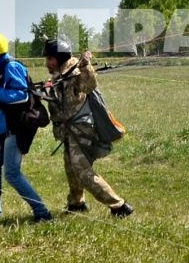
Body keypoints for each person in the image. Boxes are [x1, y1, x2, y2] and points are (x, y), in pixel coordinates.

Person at [41, 39, 132, 217]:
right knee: (71, 167)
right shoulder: (59, 74)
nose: (47, 63)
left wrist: (86, 64)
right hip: (68, 131)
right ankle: (76, 203)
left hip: (81, 129)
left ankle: (119, 206)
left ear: (60, 58)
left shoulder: (75, 72)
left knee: (83, 171)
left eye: (50, 59)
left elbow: (89, 85)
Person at [0, 31, 52, 222]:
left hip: (17, 127)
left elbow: (21, 96)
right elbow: (2, 93)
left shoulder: (11, 67)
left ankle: (42, 213)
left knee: (12, 174)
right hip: (5, 128)